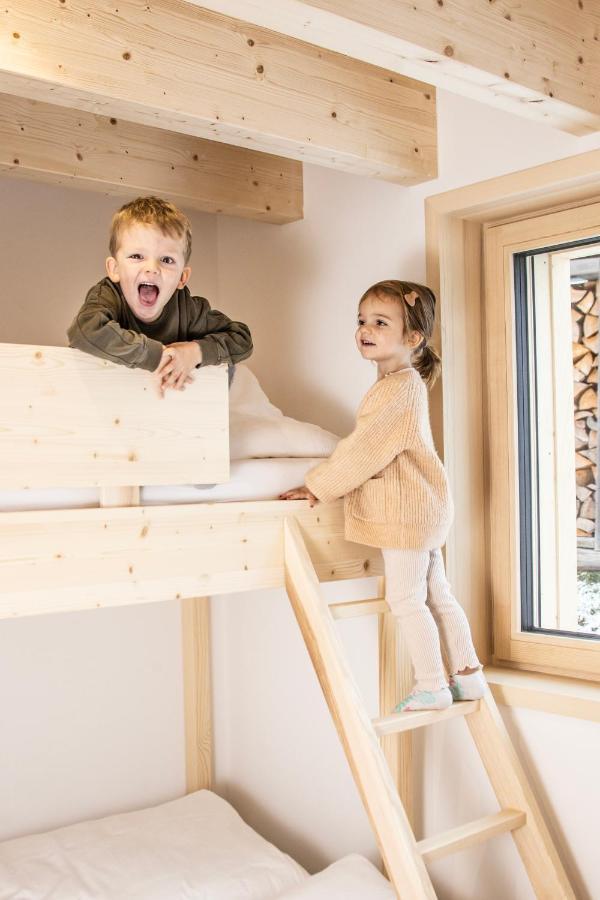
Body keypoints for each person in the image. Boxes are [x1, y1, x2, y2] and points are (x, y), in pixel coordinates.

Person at [281, 280, 486, 711]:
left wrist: (318, 485)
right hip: (424, 506)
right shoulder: (398, 384)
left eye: (379, 322)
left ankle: (432, 683)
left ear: (413, 338)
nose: (365, 330)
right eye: (361, 321)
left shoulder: (399, 388)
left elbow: (364, 450)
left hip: (408, 511)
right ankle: (467, 675)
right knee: (438, 594)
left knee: (406, 598)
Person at [68, 196, 252, 395]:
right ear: (114, 269)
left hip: (168, 410)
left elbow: (241, 339)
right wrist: (158, 357)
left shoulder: (188, 309)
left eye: (166, 259)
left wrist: (194, 352)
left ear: (182, 277)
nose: (152, 268)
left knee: (229, 369)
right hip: (105, 398)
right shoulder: (108, 296)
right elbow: (85, 330)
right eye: (137, 256)